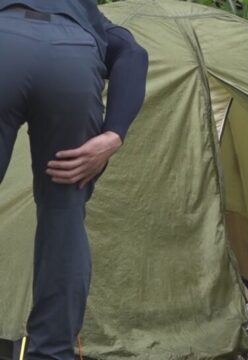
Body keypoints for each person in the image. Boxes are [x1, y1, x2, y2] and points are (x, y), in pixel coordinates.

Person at [0, 0, 148, 358]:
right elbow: (134, 53)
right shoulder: (86, 14)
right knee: (63, 218)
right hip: (74, 59)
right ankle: (52, 352)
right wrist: (114, 133)